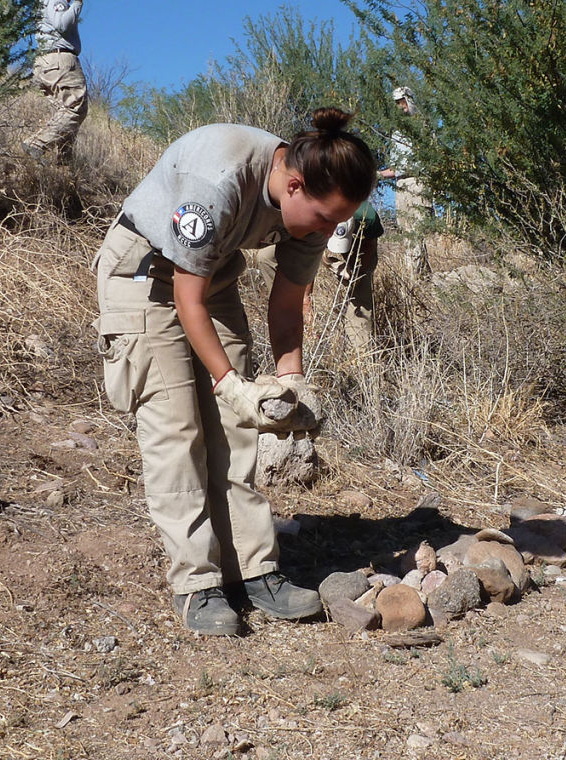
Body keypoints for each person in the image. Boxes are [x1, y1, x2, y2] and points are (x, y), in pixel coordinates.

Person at [92, 108, 376, 636]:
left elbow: (288, 303)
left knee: (236, 428)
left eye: (339, 221)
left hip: (211, 277)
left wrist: (289, 378)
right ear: (293, 184)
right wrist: (229, 384)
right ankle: (196, 585)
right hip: (145, 275)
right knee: (177, 430)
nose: (330, 231)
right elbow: (185, 296)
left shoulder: (317, 206)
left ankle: (254, 571)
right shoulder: (216, 180)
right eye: (324, 219)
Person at [257, 201, 384, 351]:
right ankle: (287, 308)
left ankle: (360, 351)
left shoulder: (367, 218)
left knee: (360, 287)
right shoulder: (311, 211)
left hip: (358, 240)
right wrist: (305, 301)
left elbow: (367, 255)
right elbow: (305, 263)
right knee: (265, 256)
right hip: (312, 231)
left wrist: (353, 272)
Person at [22, 0, 88, 162]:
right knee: (75, 109)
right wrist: (77, 4)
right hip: (60, 60)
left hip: (45, 63)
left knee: (65, 112)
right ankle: (36, 143)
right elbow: (61, 24)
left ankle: (64, 163)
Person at [378, 86, 432, 273]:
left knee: (417, 230)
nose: (401, 107)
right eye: (397, 104)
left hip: (418, 182)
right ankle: (415, 275)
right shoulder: (397, 133)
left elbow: (428, 159)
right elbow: (395, 168)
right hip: (401, 185)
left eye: (402, 102)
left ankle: (418, 276)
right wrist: (376, 174)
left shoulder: (423, 126)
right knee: (406, 231)